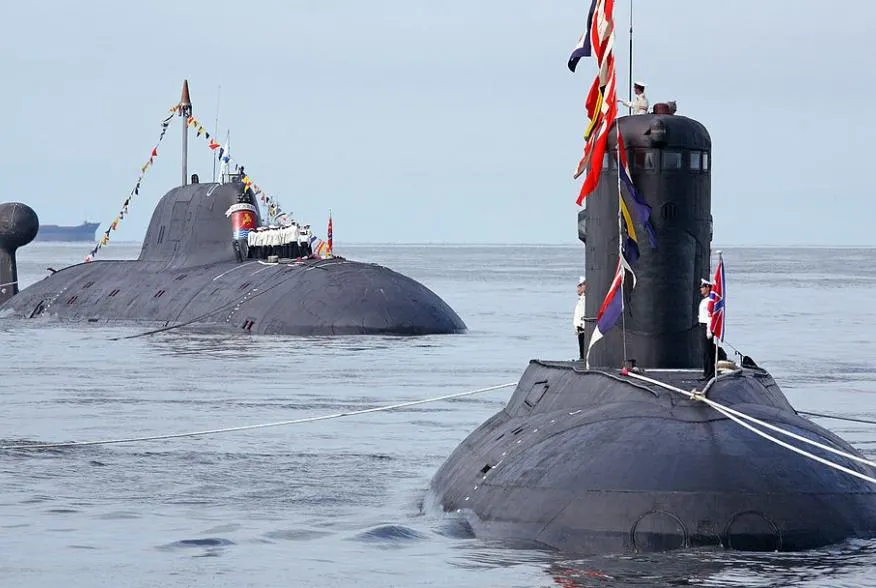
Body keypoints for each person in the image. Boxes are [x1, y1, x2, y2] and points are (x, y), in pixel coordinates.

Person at [698, 278, 717, 378]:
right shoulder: (705, 301)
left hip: (707, 327)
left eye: (702, 287)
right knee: (706, 351)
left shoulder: (709, 301)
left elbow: (710, 317)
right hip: (703, 326)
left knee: (707, 351)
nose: (700, 289)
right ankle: (708, 372)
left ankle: (709, 373)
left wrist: (709, 330)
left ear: (708, 288)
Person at [573, 277, 587, 360]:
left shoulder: (586, 299)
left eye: (579, 286)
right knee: (581, 347)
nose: (577, 289)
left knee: (583, 346)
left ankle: (583, 358)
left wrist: (581, 325)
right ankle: (582, 358)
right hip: (580, 327)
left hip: (583, 327)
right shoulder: (581, 299)